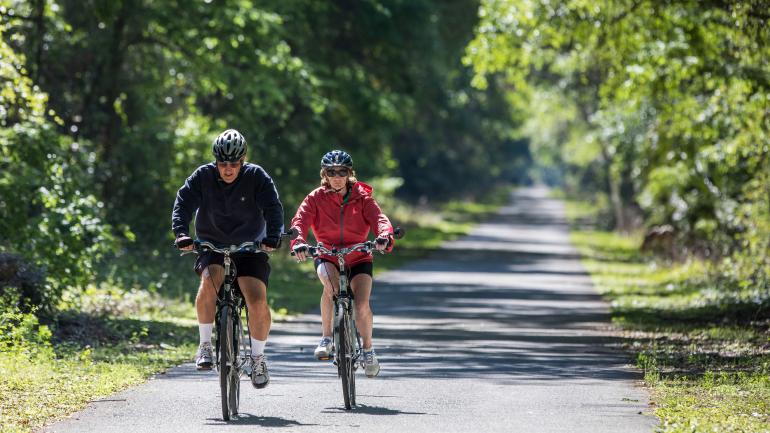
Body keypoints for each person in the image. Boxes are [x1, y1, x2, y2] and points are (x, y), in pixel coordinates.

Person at [171, 128, 284, 389]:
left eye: (234, 163)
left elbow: (272, 207)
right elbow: (183, 203)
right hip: (212, 244)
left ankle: (257, 358)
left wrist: (273, 235)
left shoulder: (256, 176)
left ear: (242, 161)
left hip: (250, 247)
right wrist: (181, 234)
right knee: (209, 282)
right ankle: (205, 345)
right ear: (216, 161)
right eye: (223, 163)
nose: (228, 169)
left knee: (256, 298)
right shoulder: (203, 176)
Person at [290, 150, 394, 378]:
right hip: (327, 254)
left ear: (349, 173)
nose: (337, 176)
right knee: (332, 287)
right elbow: (300, 221)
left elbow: (379, 219)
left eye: (342, 171)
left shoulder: (362, 197)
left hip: (359, 255)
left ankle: (368, 349)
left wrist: (384, 236)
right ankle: (327, 338)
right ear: (324, 174)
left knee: (361, 305)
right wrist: (298, 241)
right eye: (331, 172)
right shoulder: (315, 198)